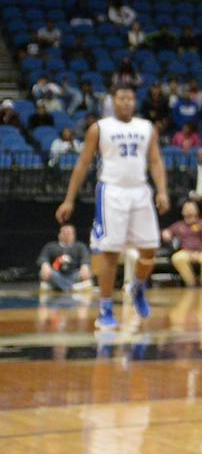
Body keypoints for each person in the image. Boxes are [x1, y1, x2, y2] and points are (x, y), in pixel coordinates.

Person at [54, 82, 168, 330]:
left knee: (150, 248)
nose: (126, 102)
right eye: (122, 98)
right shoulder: (100, 128)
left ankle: (137, 286)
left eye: (130, 98)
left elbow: (156, 161)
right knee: (110, 252)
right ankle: (105, 307)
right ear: (113, 101)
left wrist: (162, 191)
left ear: (135, 101)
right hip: (112, 192)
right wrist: (69, 199)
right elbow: (83, 164)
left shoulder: (146, 127)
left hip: (140, 191)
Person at [164, 199, 202, 286]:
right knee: (177, 258)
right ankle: (191, 283)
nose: (189, 210)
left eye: (191, 208)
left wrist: (198, 252)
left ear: (197, 211)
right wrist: (165, 233)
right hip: (186, 252)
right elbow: (167, 232)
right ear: (182, 212)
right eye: (186, 208)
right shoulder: (178, 225)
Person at [38, 223, 90, 296]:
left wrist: (85, 266)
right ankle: (72, 288)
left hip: (73, 274)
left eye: (69, 233)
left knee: (87, 272)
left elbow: (85, 258)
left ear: (73, 235)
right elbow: (43, 257)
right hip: (57, 274)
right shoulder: (50, 246)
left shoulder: (80, 246)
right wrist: (45, 265)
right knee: (43, 272)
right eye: (64, 233)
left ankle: (58, 287)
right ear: (59, 235)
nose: (66, 235)